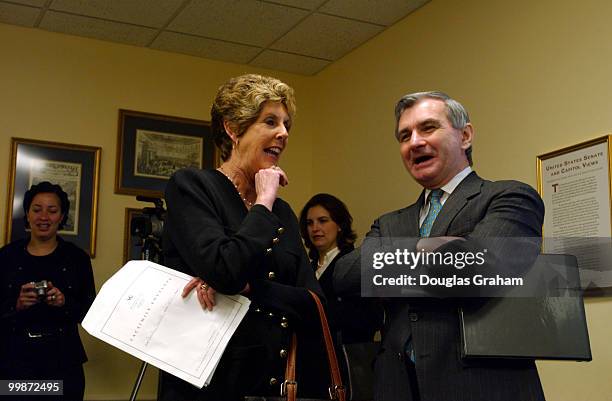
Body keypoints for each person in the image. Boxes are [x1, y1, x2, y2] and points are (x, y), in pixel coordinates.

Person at [334, 91, 545, 401]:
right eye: (404, 135)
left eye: (428, 128)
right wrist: (427, 246)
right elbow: (347, 275)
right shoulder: (389, 222)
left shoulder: (510, 197)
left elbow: (480, 269)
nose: (414, 142)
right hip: (398, 387)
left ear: (465, 136)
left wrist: (388, 263)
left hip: (483, 387)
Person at [159, 74, 330, 401]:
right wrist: (264, 201)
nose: (283, 133)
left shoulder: (284, 212)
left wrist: (251, 288)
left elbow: (315, 303)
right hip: (207, 387)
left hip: (277, 387)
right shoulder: (192, 187)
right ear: (233, 129)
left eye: (286, 124)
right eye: (269, 121)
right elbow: (225, 269)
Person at [0, 181, 96, 401]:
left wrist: (64, 302)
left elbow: (91, 312)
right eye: (37, 210)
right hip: (14, 362)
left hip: (63, 363)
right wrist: (16, 305)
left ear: (61, 216)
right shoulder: (6, 257)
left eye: (52, 211)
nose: (44, 217)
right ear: (27, 214)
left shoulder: (77, 259)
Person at [299, 193, 382, 344]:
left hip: (344, 357)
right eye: (309, 223)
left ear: (339, 225)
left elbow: (373, 317)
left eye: (323, 221)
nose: (315, 228)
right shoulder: (306, 269)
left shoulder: (354, 266)